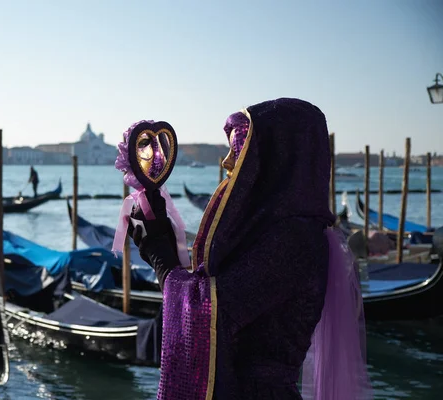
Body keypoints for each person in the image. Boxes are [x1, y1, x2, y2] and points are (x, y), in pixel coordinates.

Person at [127, 99, 372, 399]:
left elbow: (212, 311)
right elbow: (212, 292)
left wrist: (159, 256)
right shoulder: (270, 232)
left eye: (238, 149)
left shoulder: (294, 241)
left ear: (276, 157)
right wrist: (164, 233)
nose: (227, 161)